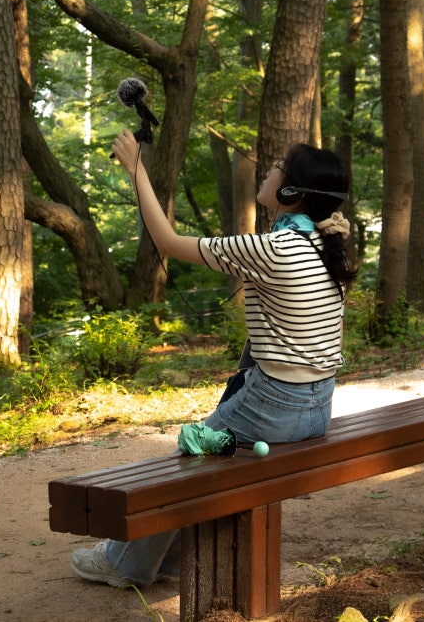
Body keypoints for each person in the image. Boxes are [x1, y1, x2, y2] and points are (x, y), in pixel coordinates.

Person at [70, 127, 357, 589]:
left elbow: (167, 241)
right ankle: (170, 560)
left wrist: (136, 169)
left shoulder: (272, 249)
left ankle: (124, 565)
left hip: (275, 406)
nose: (270, 168)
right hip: (317, 408)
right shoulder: (323, 244)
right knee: (211, 456)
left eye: (279, 167)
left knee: (190, 458)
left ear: (291, 192)